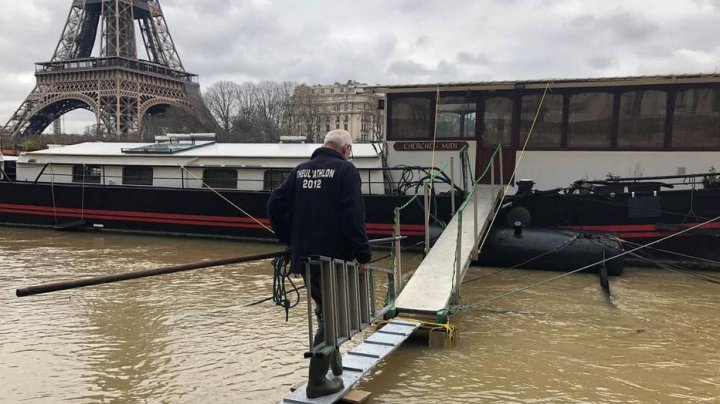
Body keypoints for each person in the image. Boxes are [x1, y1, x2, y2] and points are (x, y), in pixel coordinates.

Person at [267, 129, 371, 398]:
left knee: (326, 308)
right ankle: (316, 382)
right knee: (334, 318)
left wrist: (290, 238)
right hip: (334, 259)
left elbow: (274, 204)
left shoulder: (300, 170)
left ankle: (334, 363)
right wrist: (363, 255)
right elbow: (353, 216)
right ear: (346, 149)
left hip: (305, 258)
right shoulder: (346, 172)